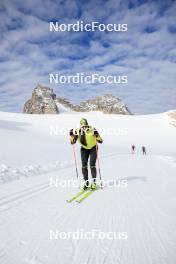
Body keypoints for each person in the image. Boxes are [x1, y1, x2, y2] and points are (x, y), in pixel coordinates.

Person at [69, 118, 103, 190]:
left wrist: (97, 135)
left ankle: (93, 182)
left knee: (92, 165)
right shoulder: (77, 131)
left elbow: (100, 141)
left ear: (87, 125)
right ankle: (86, 182)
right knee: (84, 166)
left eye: (85, 126)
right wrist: (71, 136)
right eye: (82, 126)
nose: (83, 127)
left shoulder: (92, 129)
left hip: (93, 148)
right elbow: (72, 142)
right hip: (84, 149)